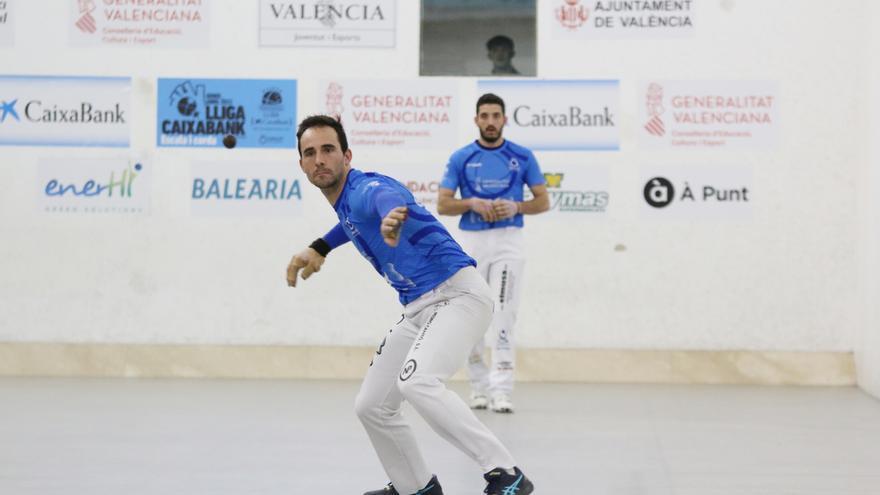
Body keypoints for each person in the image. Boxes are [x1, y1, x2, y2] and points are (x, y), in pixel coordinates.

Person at [286, 115, 534, 495]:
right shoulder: (346, 202)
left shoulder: (368, 187)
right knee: (372, 405)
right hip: (418, 308)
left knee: (418, 382)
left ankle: (506, 474)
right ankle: (416, 487)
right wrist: (319, 246)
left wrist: (391, 218)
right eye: (310, 153)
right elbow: (351, 222)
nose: (319, 159)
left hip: (458, 295)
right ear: (302, 164)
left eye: (328, 150)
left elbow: (384, 200)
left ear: (347, 156)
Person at [437, 93, 549, 414]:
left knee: (504, 313)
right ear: (476, 120)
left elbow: (543, 201)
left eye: (495, 116)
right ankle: (478, 386)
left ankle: (502, 389)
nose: (489, 121)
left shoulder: (522, 156)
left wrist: (516, 206)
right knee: (473, 313)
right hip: (472, 243)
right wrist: (471, 203)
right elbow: (443, 203)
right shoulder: (461, 158)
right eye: (484, 116)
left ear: (504, 119)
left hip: (509, 241)